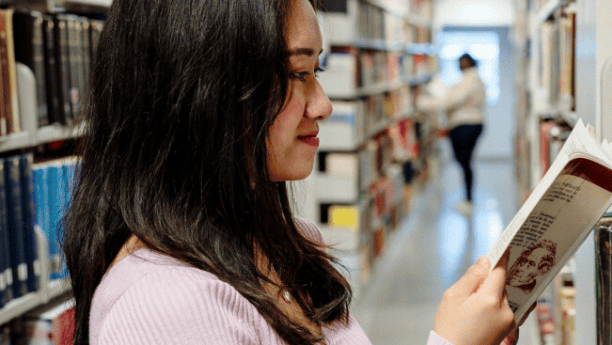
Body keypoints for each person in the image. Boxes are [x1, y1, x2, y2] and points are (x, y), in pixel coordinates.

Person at [60, 1, 517, 344]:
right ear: (205, 90)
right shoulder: (165, 306)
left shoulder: (284, 241)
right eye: (298, 72)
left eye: (315, 69)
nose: (323, 104)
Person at [418, 53, 486, 215]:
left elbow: (451, 101)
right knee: (464, 162)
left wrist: (425, 103)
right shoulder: (468, 79)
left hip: (466, 124)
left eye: (463, 62)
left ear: (470, 63)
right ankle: (467, 199)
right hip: (464, 124)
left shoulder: (470, 79)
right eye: (459, 62)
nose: (460, 65)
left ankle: (469, 200)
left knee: (465, 161)